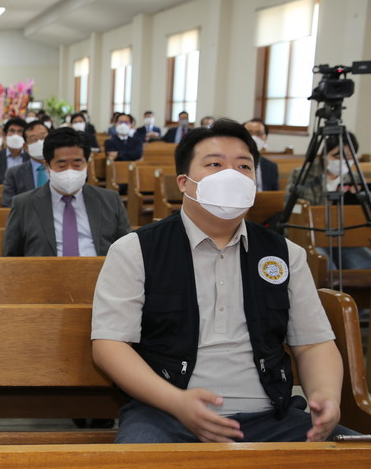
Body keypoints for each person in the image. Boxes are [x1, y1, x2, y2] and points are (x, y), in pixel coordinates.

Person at [91, 119, 357, 443]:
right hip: (166, 413)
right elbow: (109, 346)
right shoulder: (136, 250)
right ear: (184, 183)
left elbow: (314, 342)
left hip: (270, 417)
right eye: (215, 164)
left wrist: (326, 398)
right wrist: (177, 403)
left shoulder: (285, 254)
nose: (231, 175)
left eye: (243, 166)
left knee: (359, 466)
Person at [4, 127, 130, 256]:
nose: (70, 171)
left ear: (86, 164)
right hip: (44, 273)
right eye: (62, 165)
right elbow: (12, 257)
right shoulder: (23, 204)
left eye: (77, 165)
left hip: (99, 273)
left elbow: (126, 251)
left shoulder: (110, 200)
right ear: (47, 166)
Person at [286, 132, 370, 271]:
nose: (343, 161)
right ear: (324, 154)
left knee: (364, 263)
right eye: (337, 156)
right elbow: (293, 212)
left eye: (349, 157)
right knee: (325, 266)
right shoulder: (302, 175)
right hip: (312, 236)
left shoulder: (355, 179)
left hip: (345, 236)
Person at [0, 120, 49, 207]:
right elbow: (8, 204)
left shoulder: (63, 168)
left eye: (43, 137)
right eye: (33, 139)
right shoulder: (14, 173)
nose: (39, 142)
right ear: (25, 147)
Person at [0, 117, 29, 185]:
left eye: (20, 131)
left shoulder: (30, 157)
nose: (15, 135)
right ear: (5, 135)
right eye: (12, 131)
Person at [243, 118, 279, 191]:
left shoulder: (271, 167)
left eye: (259, 134)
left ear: (265, 137)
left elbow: (274, 196)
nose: (254, 138)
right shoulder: (231, 165)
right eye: (249, 133)